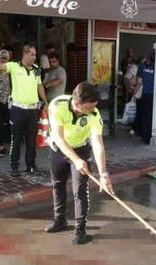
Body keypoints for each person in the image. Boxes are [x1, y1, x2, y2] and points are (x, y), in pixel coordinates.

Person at [44, 82, 114, 245]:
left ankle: (80, 229)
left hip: (82, 149)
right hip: (59, 149)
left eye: (94, 107)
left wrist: (103, 174)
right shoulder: (57, 105)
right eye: (89, 107)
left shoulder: (94, 114)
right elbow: (59, 139)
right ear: (77, 104)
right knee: (58, 185)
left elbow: (97, 143)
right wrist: (75, 160)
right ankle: (59, 220)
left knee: (80, 190)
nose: (93, 110)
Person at [0, 45, 49, 177]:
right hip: (18, 109)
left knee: (31, 140)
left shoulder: (36, 69)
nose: (34, 57)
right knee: (15, 139)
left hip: (33, 109)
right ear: (25, 54)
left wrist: (45, 101)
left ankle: (31, 165)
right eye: (32, 54)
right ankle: (14, 166)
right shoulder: (14, 66)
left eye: (35, 55)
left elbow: (40, 86)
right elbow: (2, 67)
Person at [136, 51, 155, 144]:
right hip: (154, 95)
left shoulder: (141, 67)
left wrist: (134, 94)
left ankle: (144, 136)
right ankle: (149, 135)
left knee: (143, 115)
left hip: (144, 94)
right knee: (150, 116)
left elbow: (139, 82)